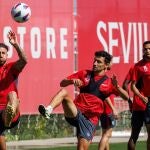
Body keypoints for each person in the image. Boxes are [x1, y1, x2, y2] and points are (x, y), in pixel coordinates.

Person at [38, 51, 129, 150]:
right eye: (94, 60)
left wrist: (118, 87)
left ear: (106, 65)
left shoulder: (109, 83)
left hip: (89, 120)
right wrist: (71, 81)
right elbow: (62, 83)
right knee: (64, 92)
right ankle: (48, 110)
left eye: (98, 62)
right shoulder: (84, 73)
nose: (94, 63)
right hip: (76, 112)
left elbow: (126, 97)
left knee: (81, 148)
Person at [0, 30, 27, 150]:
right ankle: (4, 123)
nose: (0, 54)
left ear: (6, 55)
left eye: (3, 53)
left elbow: (24, 60)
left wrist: (15, 44)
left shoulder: (11, 68)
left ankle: (7, 118)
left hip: (11, 108)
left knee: (12, 95)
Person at [128, 41, 150, 150]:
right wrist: (140, 97)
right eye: (145, 49)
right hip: (139, 103)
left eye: (149, 49)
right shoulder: (138, 66)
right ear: (142, 51)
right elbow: (130, 86)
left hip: (147, 103)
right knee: (134, 134)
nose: (147, 51)